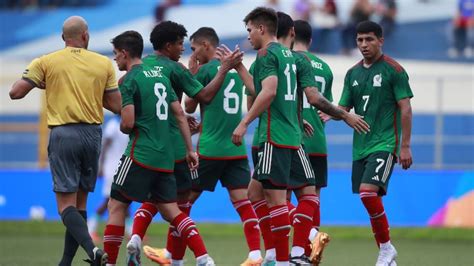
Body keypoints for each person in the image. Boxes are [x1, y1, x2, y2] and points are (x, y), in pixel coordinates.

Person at [226, 7, 369, 266]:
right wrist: (343, 115)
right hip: (296, 138)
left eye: (249, 30)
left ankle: (281, 259)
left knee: (276, 201)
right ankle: (297, 253)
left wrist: (244, 123)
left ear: (261, 29)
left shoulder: (266, 54)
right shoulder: (297, 59)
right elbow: (311, 98)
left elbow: (266, 93)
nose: (248, 36)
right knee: (307, 196)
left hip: (273, 137)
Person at [120, 21, 242, 266]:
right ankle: (187, 260)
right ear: (167, 45)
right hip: (175, 145)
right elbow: (202, 97)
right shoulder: (176, 68)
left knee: (149, 198)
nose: (183, 49)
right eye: (179, 44)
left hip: (144, 145)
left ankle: (135, 236)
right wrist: (223, 69)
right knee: (181, 203)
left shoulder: (141, 66)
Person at [145, 27, 263, 266]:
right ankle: (255, 254)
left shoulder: (207, 70)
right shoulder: (235, 72)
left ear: (206, 45)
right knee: (243, 203)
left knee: (182, 202)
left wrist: (192, 73)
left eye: (194, 47)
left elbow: (188, 106)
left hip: (209, 150)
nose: (192, 52)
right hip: (235, 149)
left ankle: (172, 256)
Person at [9, 16, 120, 266]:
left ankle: (93, 251)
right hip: (92, 135)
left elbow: (15, 92)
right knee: (80, 204)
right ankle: (65, 262)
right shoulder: (103, 63)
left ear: (63, 38)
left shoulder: (46, 61)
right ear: (86, 36)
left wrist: (42, 81)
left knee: (65, 207)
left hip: (64, 135)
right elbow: (116, 105)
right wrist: (91, 92)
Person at [103, 30, 215, 266]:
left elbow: (128, 123)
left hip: (140, 154)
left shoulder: (131, 79)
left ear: (124, 53)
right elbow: (180, 114)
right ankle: (204, 258)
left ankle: (111, 262)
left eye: (116, 54)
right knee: (173, 211)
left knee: (116, 205)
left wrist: (123, 118)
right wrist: (189, 149)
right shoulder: (163, 75)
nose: (115, 59)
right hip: (166, 158)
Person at [338, 21, 413, 266]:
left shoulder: (394, 70)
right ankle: (386, 253)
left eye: (369, 39)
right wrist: (328, 113)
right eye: (359, 40)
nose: (363, 45)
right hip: (361, 146)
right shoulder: (352, 73)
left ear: (381, 40)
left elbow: (405, 109)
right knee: (369, 199)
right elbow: (344, 109)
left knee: (367, 193)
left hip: (385, 143)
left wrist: (404, 146)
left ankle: (386, 248)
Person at [293, 19, 334, 265]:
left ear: (289, 34)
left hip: (293, 138)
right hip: (318, 139)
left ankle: (296, 247)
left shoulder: (288, 62)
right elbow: (325, 106)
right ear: (311, 40)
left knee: (279, 197)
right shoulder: (325, 67)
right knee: (312, 198)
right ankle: (310, 250)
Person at [87, 115, 130, 243]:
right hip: (112, 168)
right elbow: (105, 146)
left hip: (124, 167)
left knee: (125, 200)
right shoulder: (113, 125)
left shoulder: (128, 123)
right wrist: (100, 165)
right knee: (109, 200)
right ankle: (90, 229)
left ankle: (132, 233)